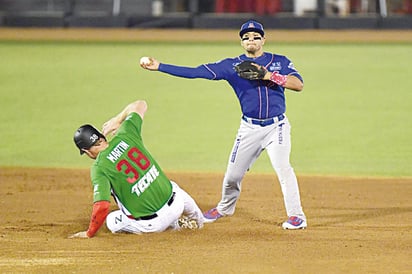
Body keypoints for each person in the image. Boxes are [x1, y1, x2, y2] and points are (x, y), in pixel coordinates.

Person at [140, 20, 307, 230]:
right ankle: (225, 208)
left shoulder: (279, 61)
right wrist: (160, 66)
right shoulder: (232, 66)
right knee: (232, 176)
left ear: (264, 39)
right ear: (242, 43)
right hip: (249, 128)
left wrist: (268, 75)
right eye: (246, 37)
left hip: (277, 127)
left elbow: (298, 84)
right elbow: (196, 72)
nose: (251, 40)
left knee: (284, 169)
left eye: (256, 36)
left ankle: (297, 216)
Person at [69, 100, 204, 238]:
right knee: (173, 187)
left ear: (86, 151)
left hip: (153, 225)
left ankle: (174, 227)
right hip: (177, 205)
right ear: (102, 137)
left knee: (111, 220)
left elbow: (102, 206)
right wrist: (118, 119)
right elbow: (140, 104)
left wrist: (89, 233)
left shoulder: (99, 168)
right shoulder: (126, 132)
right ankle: (199, 222)